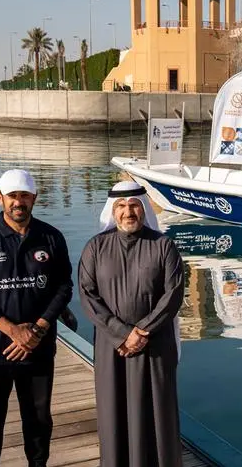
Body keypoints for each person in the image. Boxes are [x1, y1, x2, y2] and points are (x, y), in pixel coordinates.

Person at [0, 169, 73, 467]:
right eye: (12, 196)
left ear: (34, 198)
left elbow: (63, 288)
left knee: (38, 421)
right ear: (0, 199)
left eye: (24, 195)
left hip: (38, 347)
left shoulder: (51, 237)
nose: (18, 202)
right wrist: (12, 330)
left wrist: (36, 330)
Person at [79, 181, 185, 467]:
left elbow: (173, 294)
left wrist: (142, 332)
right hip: (112, 346)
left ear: (144, 208)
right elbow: (88, 296)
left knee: (156, 410)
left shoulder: (164, 246)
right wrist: (123, 333)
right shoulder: (96, 247)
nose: (128, 212)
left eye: (134, 205)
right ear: (112, 211)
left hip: (154, 345)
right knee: (114, 408)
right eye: (122, 207)